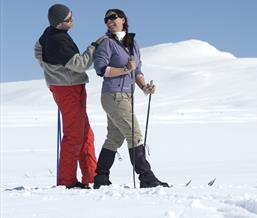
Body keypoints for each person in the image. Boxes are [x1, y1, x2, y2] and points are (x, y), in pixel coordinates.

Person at [93, 9, 169, 189]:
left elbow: (137, 71)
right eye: (106, 19)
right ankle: (146, 177)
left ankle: (101, 178)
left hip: (126, 95)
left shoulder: (133, 44)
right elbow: (101, 69)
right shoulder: (106, 43)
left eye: (112, 17)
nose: (109, 21)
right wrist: (125, 69)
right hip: (113, 95)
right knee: (134, 135)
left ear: (123, 20)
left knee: (114, 138)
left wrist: (145, 87)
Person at [34, 4, 105, 189]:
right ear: (58, 24)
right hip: (69, 89)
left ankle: (92, 176)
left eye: (71, 15)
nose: (72, 19)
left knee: (85, 134)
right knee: (74, 135)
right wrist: (95, 46)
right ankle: (67, 181)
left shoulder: (48, 33)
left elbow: (37, 49)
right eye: (67, 19)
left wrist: (50, 71)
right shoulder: (59, 40)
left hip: (67, 87)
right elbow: (80, 64)